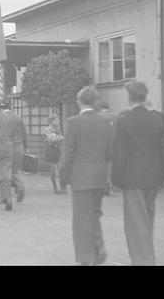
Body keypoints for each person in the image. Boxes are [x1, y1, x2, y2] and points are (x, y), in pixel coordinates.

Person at [112, 80, 164, 265]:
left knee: (136, 223)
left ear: (129, 97)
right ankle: (146, 256)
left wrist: (116, 179)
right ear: (145, 97)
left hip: (132, 178)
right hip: (153, 177)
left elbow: (120, 153)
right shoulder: (157, 119)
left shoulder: (124, 121)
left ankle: (143, 260)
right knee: (148, 220)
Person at [59, 86, 113, 266]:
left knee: (81, 219)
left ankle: (85, 258)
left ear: (78, 101)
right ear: (95, 101)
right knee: (95, 214)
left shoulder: (73, 122)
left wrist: (63, 176)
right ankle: (98, 247)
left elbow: (68, 153)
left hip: (81, 177)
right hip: (99, 175)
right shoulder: (106, 122)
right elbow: (110, 151)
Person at [2, 100, 28, 203]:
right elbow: (24, 133)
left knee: (6, 171)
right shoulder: (17, 117)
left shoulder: (2, 118)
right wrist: (26, 146)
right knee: (16, 170)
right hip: (19, 146)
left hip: (7, 146)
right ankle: (20, 186)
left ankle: (6, 196)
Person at [97, 101, 119, 195]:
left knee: (102, 166)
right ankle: (112, 185)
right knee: (111, 166)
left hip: (100, 145)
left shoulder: (97, 117)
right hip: (113, 145)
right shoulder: (116, 117)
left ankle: (104, 186)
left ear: (100, 107)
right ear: (108, 107)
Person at [44, 113, 66, 195]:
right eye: (57, 120)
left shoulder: (58, 129)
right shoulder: (48, 129)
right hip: (50, 150)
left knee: (61, 168)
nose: (59, 121)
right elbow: (52, 139)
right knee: (53, 169)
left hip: (57, 149)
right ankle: (55, 188)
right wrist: (62, 138)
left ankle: (62, 187)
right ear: (52, 121)